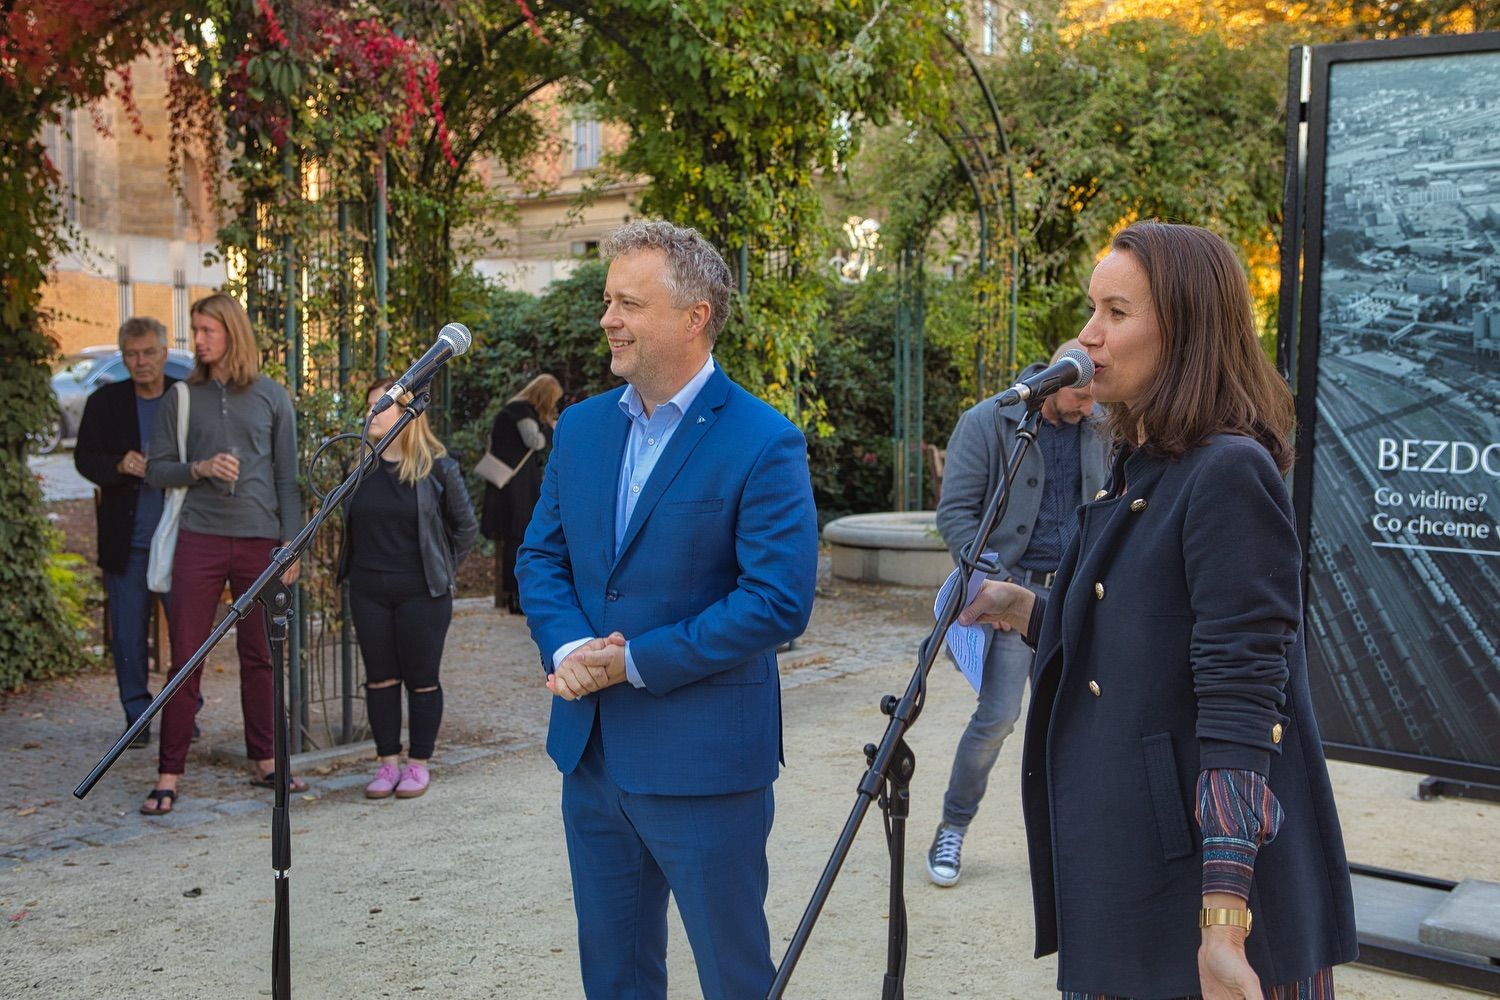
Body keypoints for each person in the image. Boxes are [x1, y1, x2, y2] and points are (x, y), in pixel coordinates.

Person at [957, 221, 1357, 998]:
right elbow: (1137, 638)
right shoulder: (1145, 464)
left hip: (1207, 904)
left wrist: (1222, 926)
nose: (1088, 336)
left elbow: (1244, 703)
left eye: (1116, 312)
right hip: (1132, 873)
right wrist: (1020, 607)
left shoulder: (1228, 473)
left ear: (1185, 332)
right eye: (1091, 310)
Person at [515, 220, 819, 1000]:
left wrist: (635, 661)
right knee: (613, 979)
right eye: (607, 299)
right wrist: (573, 648)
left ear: (694, 317)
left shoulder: (763, 441)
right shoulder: (580, 430)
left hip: (707, 764)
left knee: (734, 979)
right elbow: (540, 559)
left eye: (628, 302)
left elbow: (778, 600)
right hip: (591, 760)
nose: (607, 318)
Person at [926, 339, 1109, 887]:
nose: (1087, 407)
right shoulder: (990, 421)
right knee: (998, 718)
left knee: (1081, 726)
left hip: (1078, 596)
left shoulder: (1100, 422)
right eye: (1078, 396)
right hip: (1012, 598)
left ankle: (1074, 849)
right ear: (1052, 383)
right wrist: (991, 579)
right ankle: (952, 827)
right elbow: (955, 514)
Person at [139, 293, 304, 816]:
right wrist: (201, 468)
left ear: (233, 332)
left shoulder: (272, 396)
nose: (198, 340)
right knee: (186, 657)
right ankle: (169, 772)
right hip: (199, 538)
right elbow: (155, 469)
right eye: (195, 330)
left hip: (260, 542)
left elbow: (286, 478)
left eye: (207, 330)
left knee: (261, 655)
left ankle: (267, 761)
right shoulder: (180, 399)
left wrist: (292, 542)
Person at [337, 377, 478, 799]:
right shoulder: (358, 469)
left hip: (422, 593)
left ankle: (418, 763)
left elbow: (466, 529)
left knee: (421, 679)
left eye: (381, 405)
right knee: (379, 679)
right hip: (367, 589)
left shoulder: (438, 467)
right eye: (369, 406)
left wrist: (441, 569)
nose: (371, 413)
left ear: (409, 413)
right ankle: (386, 764)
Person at [74, 317, 179, 746]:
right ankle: (136, 717)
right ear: (122, 357)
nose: (141, 362)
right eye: (132, 355)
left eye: (149, 353)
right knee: (129, 636)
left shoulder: (183, 394)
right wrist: (118, 465)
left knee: (189, 633)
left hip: (179, 537)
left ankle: (184, 712)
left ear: (164, 353)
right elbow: (85, 459)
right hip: (126, 540)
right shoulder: (105, 401)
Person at [481, 373, 561, 614]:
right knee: (517, 537)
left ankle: (511, 595)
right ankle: (514, 596)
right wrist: (551, 429)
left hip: (507, 484)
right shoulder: (521, 411)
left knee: (514, 538)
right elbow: (534, 441)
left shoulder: (514, 409)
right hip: (516, 487)